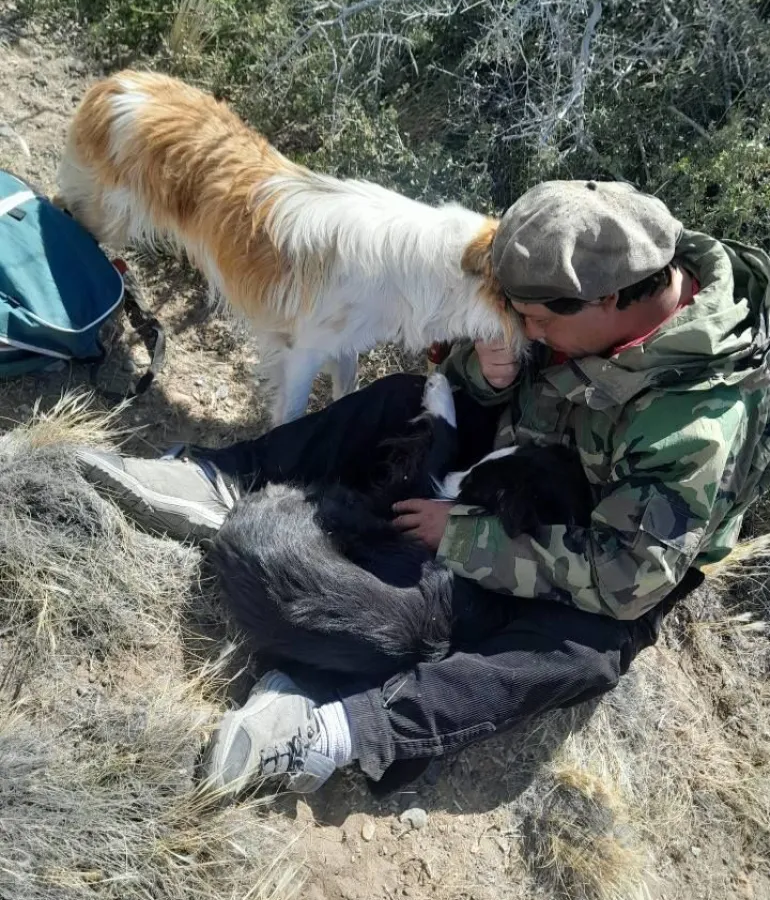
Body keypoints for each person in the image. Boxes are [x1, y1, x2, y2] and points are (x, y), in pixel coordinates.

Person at [78, 180, 770, 797]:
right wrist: (487, 377)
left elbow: (628, 577)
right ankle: (224, 478)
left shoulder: (700, 425)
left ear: (614, 301)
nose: (525, 331)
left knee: (584, 649)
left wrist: (465, 537)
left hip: (607, 537)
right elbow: (480, 368)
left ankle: (341, 725)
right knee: (407, 396)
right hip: (523, 454)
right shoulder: (580, 278)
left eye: (537, 322)